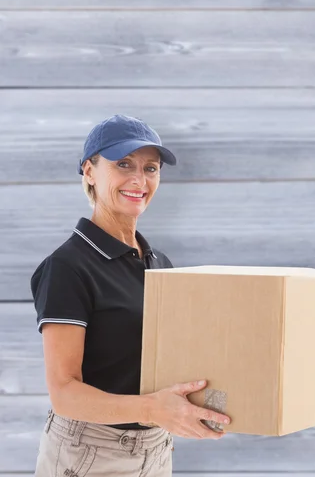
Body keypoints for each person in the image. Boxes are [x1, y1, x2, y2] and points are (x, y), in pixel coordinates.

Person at [31, 114, 231, 477]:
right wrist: (153, 410)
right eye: (123, 164)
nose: (139, 180)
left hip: (156, 448)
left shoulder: (159, 262)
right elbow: (64, 393)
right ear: (89, 171)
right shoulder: (68, 267)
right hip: (89, 452)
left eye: (150, 168)